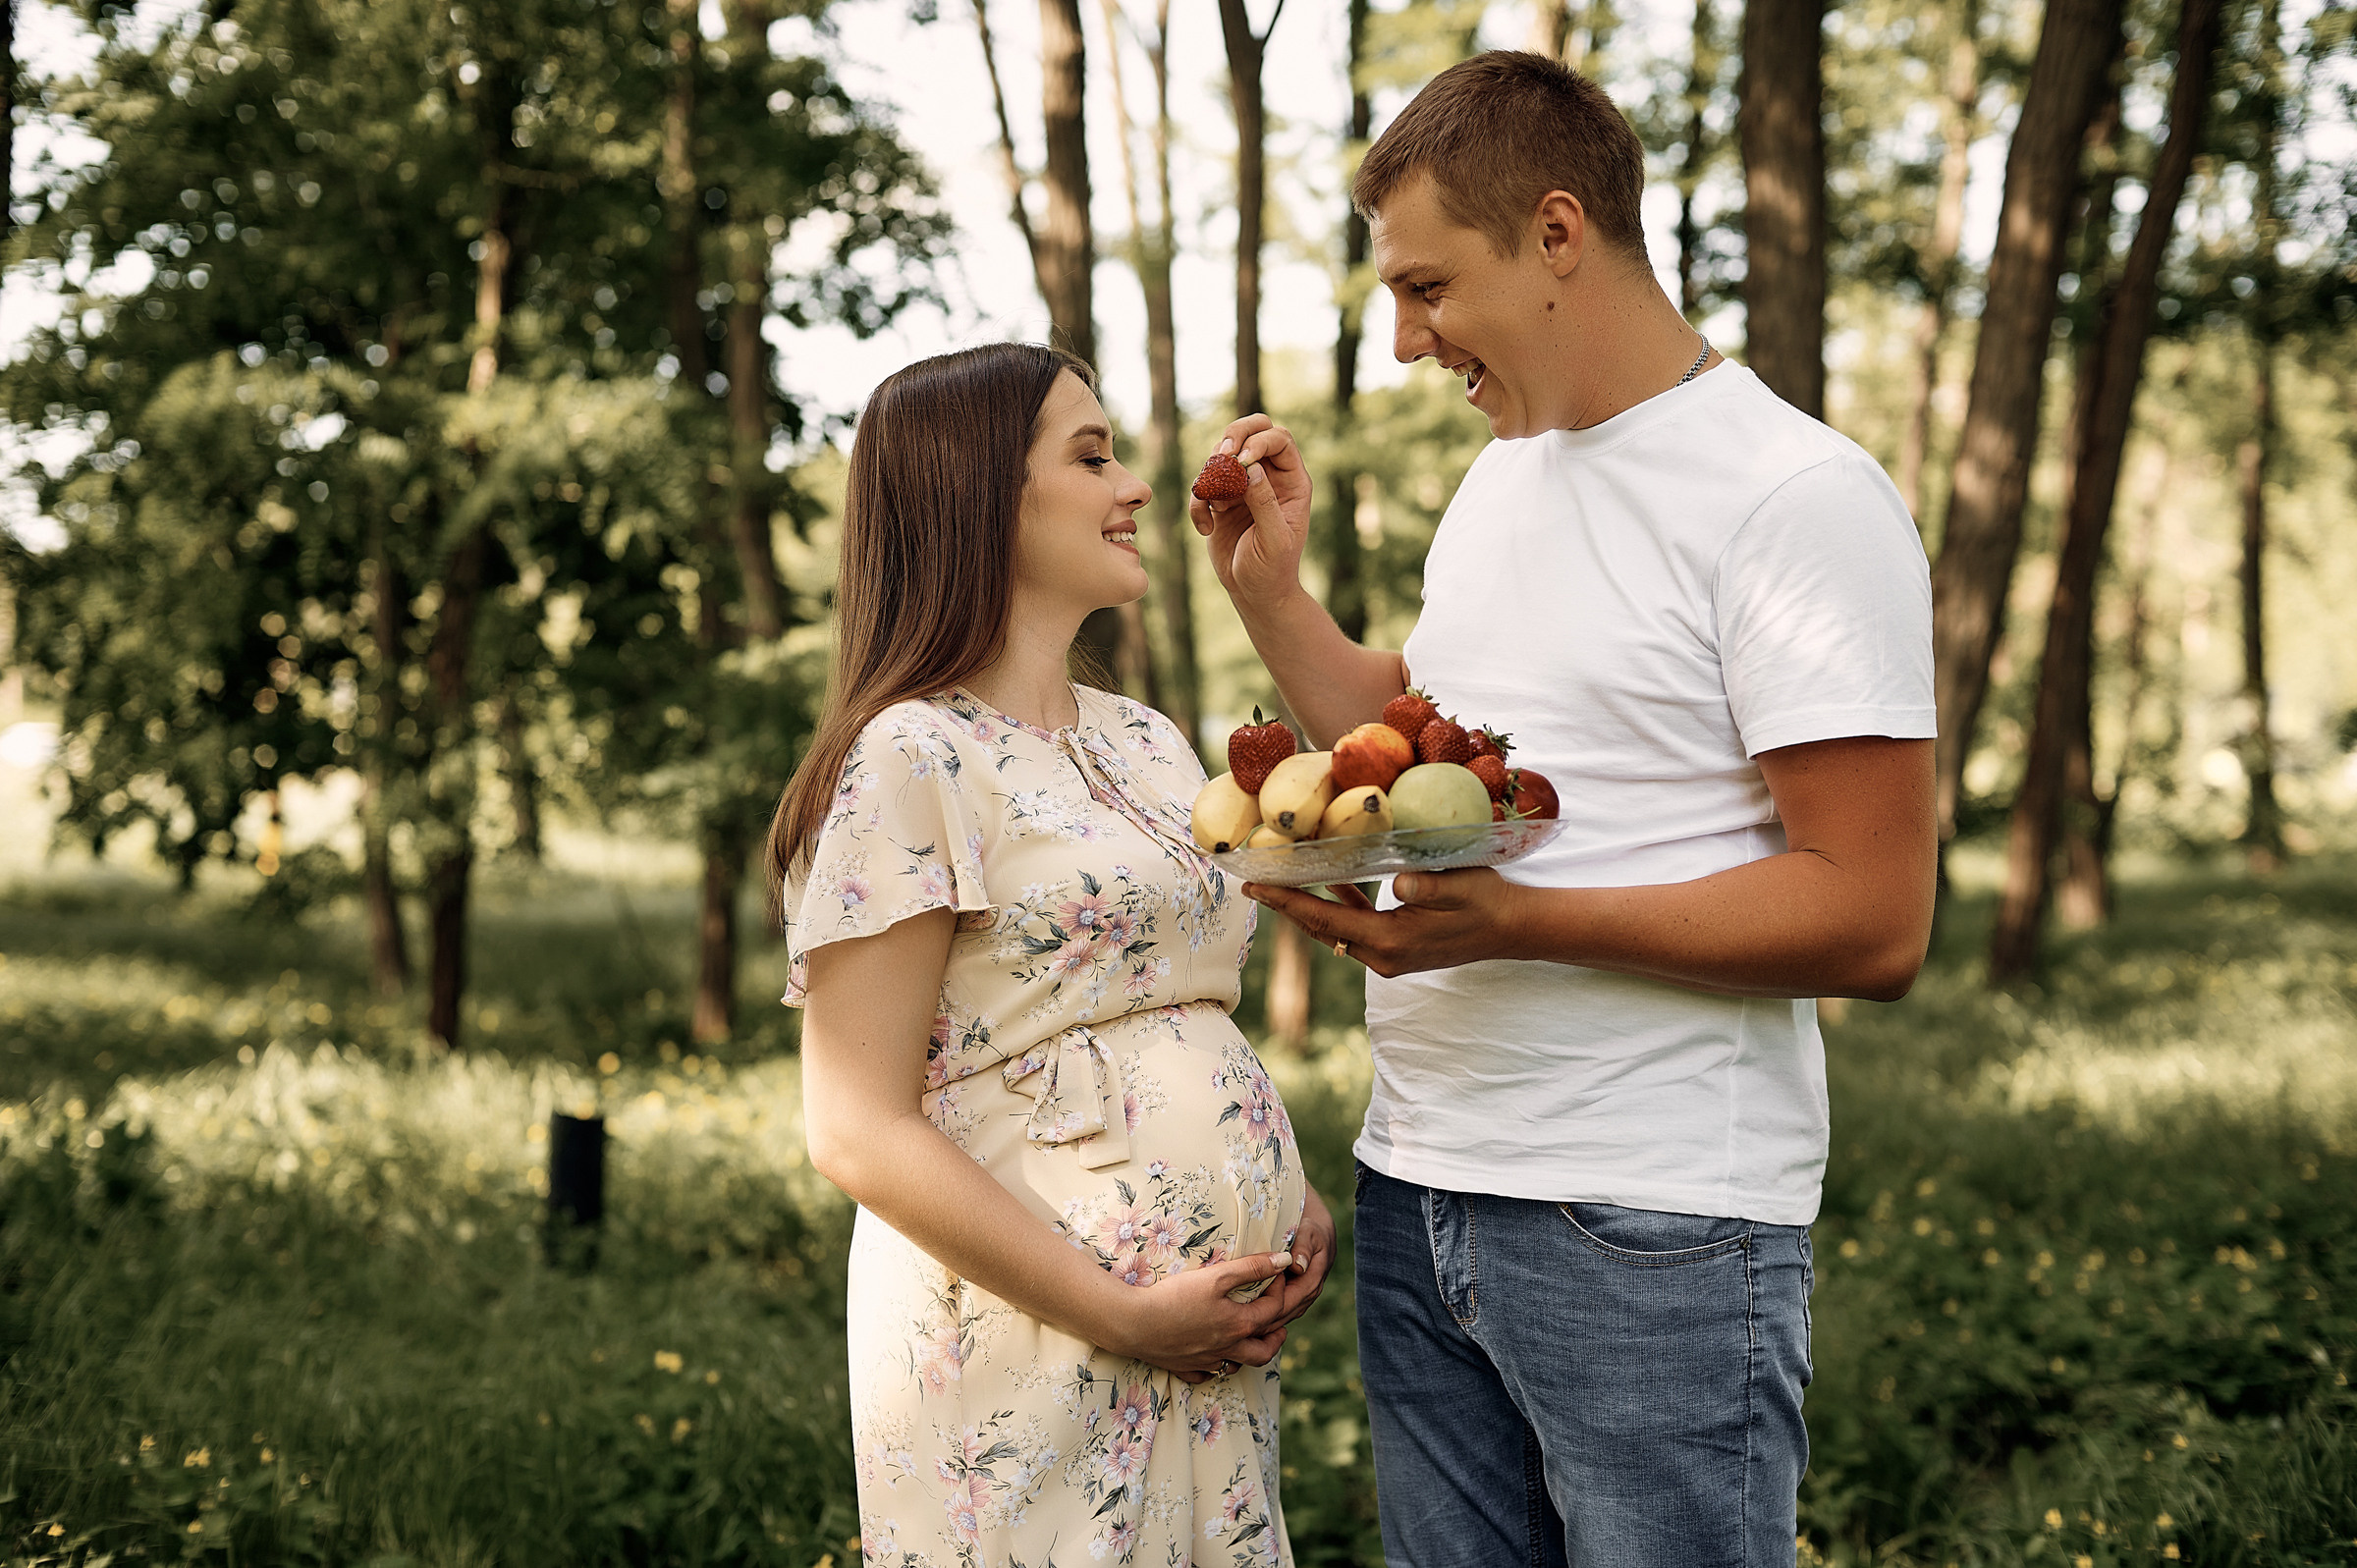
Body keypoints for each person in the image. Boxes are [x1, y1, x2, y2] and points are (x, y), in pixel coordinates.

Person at [1190, 52, 1938, 1568]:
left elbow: (1873, 913)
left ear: (1553, 234)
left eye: (1427, 287)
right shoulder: (1504, 477)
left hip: (1648, 1226)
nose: (1405, 341)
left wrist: (1518, 925)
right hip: (1421, 1186)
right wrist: (1274, 599)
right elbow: (1426, 762)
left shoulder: (1793, 497)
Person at [769, 342, 1335, 1568]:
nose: (1133, 485)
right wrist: (1127, 1313)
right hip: (1028, 1349)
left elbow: (1178, 1007)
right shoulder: (911, 757)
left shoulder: (1144, 741)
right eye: (1091, 457)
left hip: (1203, 1357)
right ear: (980, 496)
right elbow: (855, 1126)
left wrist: (1282, 1192)